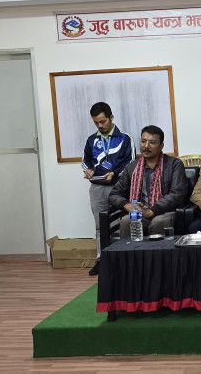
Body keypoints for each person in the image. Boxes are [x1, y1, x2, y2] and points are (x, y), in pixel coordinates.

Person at [106, 126, 188, 263]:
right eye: (143, 141)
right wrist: (127, 206)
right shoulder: (132, 167)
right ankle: (130, 263)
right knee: (127, 220)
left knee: (158, 221)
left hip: (165, 211)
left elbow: (177, 193)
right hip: (139, 213)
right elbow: (114, 194)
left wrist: (153, 210)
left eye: (152, 142)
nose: (146, 146)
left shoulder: (174, 164)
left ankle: (160, 263)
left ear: (161, 146)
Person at [82, 102, 136, 274]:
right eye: (96, 122)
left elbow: (131, 162)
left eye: (103, 121)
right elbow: (85, 161)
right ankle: (102, 260)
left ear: (111, 117)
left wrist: (115, 172)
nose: (100, 125)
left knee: (124, 222)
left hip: (119, 187)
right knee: (100, 226)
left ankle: (125, 259)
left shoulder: (125, 138)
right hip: (97, 187)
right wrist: (88, 170)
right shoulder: (92, 140)